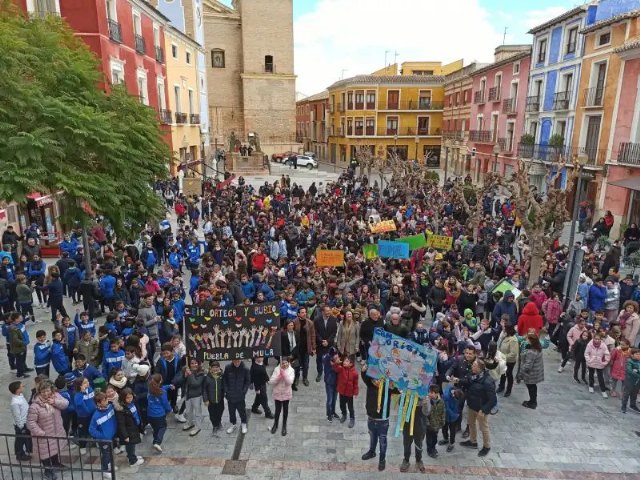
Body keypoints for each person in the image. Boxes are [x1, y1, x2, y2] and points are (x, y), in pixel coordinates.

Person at [27, 379, 69, 480]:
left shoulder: (55, 396)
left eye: (48, 390)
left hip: (56, 431)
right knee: (45, 454)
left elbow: (65, 403)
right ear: (39, 392)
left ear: (51, 390)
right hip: (44, 435)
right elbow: (30, 422)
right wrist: (40, 432)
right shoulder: (35, 406)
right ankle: (48, 471)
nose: (46, 393)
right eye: (43, 391)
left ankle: (56, 464)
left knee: (55, 449)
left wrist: (54, 402)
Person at [456, 359, 497, 457]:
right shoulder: (474, 375)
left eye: (474, 365)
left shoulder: (487, 381)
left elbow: (493, 399)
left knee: (484, 428)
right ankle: (473, 442)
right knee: (471, 424)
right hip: (472, 405)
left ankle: (486, 446)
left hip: (481, 409)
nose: (472, 367)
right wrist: (458, 380)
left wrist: (484, 410)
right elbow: (468, 381)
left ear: (479, 368)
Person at [360, 363, 396, 472]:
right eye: (374, 379)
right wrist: (363, 370)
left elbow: (398, 389)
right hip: (371, 417)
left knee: (382, 440)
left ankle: (382, 460)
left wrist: (393, 384)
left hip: (383, 420)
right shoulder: (370, 384)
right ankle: (372, 452)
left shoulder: (388, 388)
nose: (376, 382)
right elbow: (364, 376)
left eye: (378, 379)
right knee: (372, 437)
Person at [174, 357, 207, 437]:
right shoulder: (186, 370)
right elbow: (178, 382)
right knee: (188, 411)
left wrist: (190, 374)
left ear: (198, 364)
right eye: (192, 363)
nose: (194, 365)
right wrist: (184, 376)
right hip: (187, 395)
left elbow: (196, 384)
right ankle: (190, 423)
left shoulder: (201, 373)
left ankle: (198, 427)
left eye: (195, 363)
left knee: (197, 412)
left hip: (196, 396)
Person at [400, 394, 428, 473]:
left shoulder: (424, 394)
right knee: (407, 444)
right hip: (407, 425)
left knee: (419, 444)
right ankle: (406, 460)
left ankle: (419, 460)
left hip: (420, 425)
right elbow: (400, 403)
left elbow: (427, 412)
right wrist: (404, 396)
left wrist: (424, 402)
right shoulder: (407, 392)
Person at [268, 356, 295, 436]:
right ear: (280, 363)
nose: (284, 364)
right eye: (282, 363)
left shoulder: (291, 370)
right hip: (278, 393)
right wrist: (279, 376)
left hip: (286, 393)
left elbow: (290, 382)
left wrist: (284, 375)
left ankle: (284, 426)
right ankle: (275, 425)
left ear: (288, 362)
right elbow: (271, 382)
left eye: (286, 362)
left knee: (285, 411)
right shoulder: (277, 369)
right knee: (277, 410)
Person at [517, 334, 545, 409]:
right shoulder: (537, 348)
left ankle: (532, 403)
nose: (526, 340)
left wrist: (520, 375)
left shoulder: (531, 352)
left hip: (531, 374)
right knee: (533, 387)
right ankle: (532, 401)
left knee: (531, 387)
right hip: (535, 372)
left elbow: (527, 366)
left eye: (528, 339)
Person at [223, 359, 251, 435]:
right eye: (235, 361)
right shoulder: (228, 367)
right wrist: (226, 390)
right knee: (231, 412)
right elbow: (224, 379)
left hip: (240, 395)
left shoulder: (245, 369)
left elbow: (247, 381)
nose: (236, 363)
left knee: (242, 411)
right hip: (230, 395)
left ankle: (244, 423)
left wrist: (244, 391)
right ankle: (233, 424)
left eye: (238, 361)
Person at [147, 373, 172, 452]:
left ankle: (154, 441)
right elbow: (165, 403)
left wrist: (169, 386)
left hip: (150, 414)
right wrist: (169, 410)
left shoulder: (150, 389)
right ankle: (158, 443)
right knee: (162, 427)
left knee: (155, 428)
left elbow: (161, 387)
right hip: (159, 414)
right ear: (160, 381)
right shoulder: (162, 392)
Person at [332, 354, 359, 428]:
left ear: (351, 364)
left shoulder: (355, 373)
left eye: (347, 361)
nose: (344, 362)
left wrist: (356, 392)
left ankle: (352, 418)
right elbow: (335, 368)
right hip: (342, 392)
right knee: (342, 405)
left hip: (349, 394)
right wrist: (337, 362)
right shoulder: (341, 369)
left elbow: (356, 384)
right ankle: (344, 414)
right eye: (344, 360)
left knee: (350, 407)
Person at [9, 380, 33, 462]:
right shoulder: (15, 402)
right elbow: (17, 416)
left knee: (24, 438)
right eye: (21, 386)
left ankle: (26, 451)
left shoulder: (21, 396)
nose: (23, 387)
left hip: (26, 421)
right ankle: (19, 454)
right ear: (17, 390)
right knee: (20, 440)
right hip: (21, 424)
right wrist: (21, 427)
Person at [585, 333, 611, 397]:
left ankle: (603, 390)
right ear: (593, 338)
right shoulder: (589, 344)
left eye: (598, 339)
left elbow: (607, 354)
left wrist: (605, 362)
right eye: (595, 339)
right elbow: (586, 353)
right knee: (591, 374)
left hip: (599, 363)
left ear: (600, 339)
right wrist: (589, 360)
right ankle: (591, 386)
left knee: (600, 377)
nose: (597, 340)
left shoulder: (603, 345)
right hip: (592, 362)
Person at [497, 324, 519, 397]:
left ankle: (508, 390)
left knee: (509, 374)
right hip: (503, 359)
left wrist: (503, 357)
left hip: (509, 361)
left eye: (504, 328)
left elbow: (513, 353)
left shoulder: (513, 340)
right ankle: (501, 386)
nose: (503, 329)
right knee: (503, 373)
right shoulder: (505, 336)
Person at [439, 384, 462, 452]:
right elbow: (447, 408)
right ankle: (445, 439)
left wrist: (456, 415)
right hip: (447, 416)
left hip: (453, 418)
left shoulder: (457, 395)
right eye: (456, 399)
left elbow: (457, 407)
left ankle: (452, 443)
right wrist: (455, 415)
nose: (457, 400)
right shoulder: (446, 396)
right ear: (453, 395)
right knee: (444, 429)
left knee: (452, 431)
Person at [425, 385, 446, 459]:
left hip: (437, 425)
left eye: (432, 393)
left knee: (435, 438)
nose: (430, 394)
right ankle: (429, 450)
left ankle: (433, 448)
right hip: (429, 426)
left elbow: (443, 412)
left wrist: (442, 421)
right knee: (429, 439)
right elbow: (425, 413)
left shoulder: (441, 402)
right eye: (430, 392)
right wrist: (427, 423)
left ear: (437, 393)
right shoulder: (427, 402)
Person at [204, 361, 225, 435]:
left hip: (220, 399)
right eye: (213, 367)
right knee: (212, 414)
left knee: (220, 411)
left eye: (217, 367)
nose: (215, 369)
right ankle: (215, 426)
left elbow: (225, 385)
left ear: (219, 368)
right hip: (211, 400)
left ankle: (219, 421)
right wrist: (206, 399)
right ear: (211, 368)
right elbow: (204, 390)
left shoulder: (222, 376)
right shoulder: (207, 377)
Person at [621, 348, 640, 413]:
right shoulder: (629, 361)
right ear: (632, 355)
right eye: (637, 354)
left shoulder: (639, 361)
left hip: (637, 382)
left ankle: (633, 405)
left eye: (639, 354)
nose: (638, 355)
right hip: (629, 380)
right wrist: (638, 374)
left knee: (634, 393)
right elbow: (629, 370)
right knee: (626, 393)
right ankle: (623, 406)